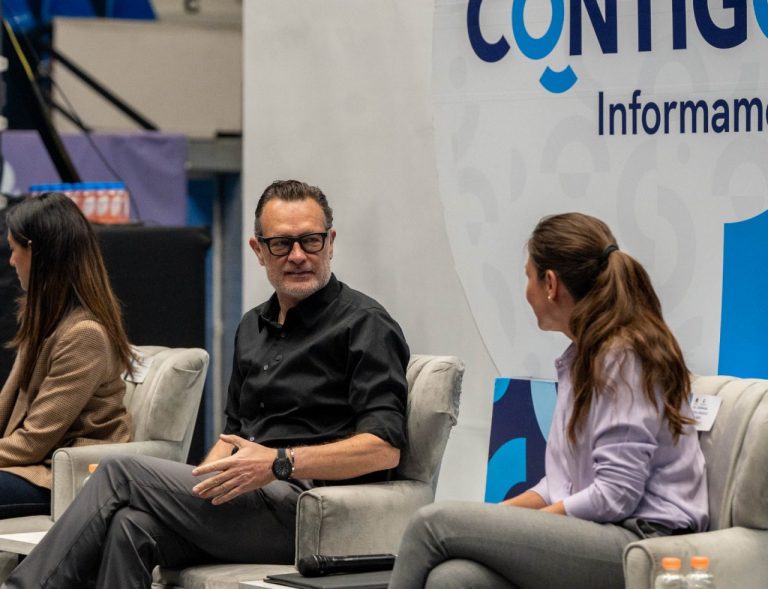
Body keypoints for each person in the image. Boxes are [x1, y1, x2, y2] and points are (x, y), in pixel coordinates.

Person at [2, 179, 409, 589]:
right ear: (258, 250)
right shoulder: (253, 326)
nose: (299, 256)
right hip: (246, 500)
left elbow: (384, 448)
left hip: (309, 508)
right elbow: (233, 434)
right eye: (282, 244)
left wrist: (279, 461)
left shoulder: (365, 324)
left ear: (330, 242)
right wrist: (195, 485)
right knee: (130, 524)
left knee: (120, 472)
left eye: (311, 241)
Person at [389, 212, 708, 589]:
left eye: (529, 276)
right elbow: (560, 486)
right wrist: (494, 520)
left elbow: (616, 495)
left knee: (431, 523)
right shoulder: (585, 357)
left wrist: (507, 528)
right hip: (603, 530)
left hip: (643, 542)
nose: (526, 291)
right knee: (454, 579)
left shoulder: (622, 357)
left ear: (551, 284)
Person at [0, 192, 132, 519]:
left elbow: (33, 442)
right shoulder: (45, 320)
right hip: (31, 466)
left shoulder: (84, 334)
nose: (11, 261)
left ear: (36, 251)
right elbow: (8, 410)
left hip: (60, 476)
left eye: (14, 249)